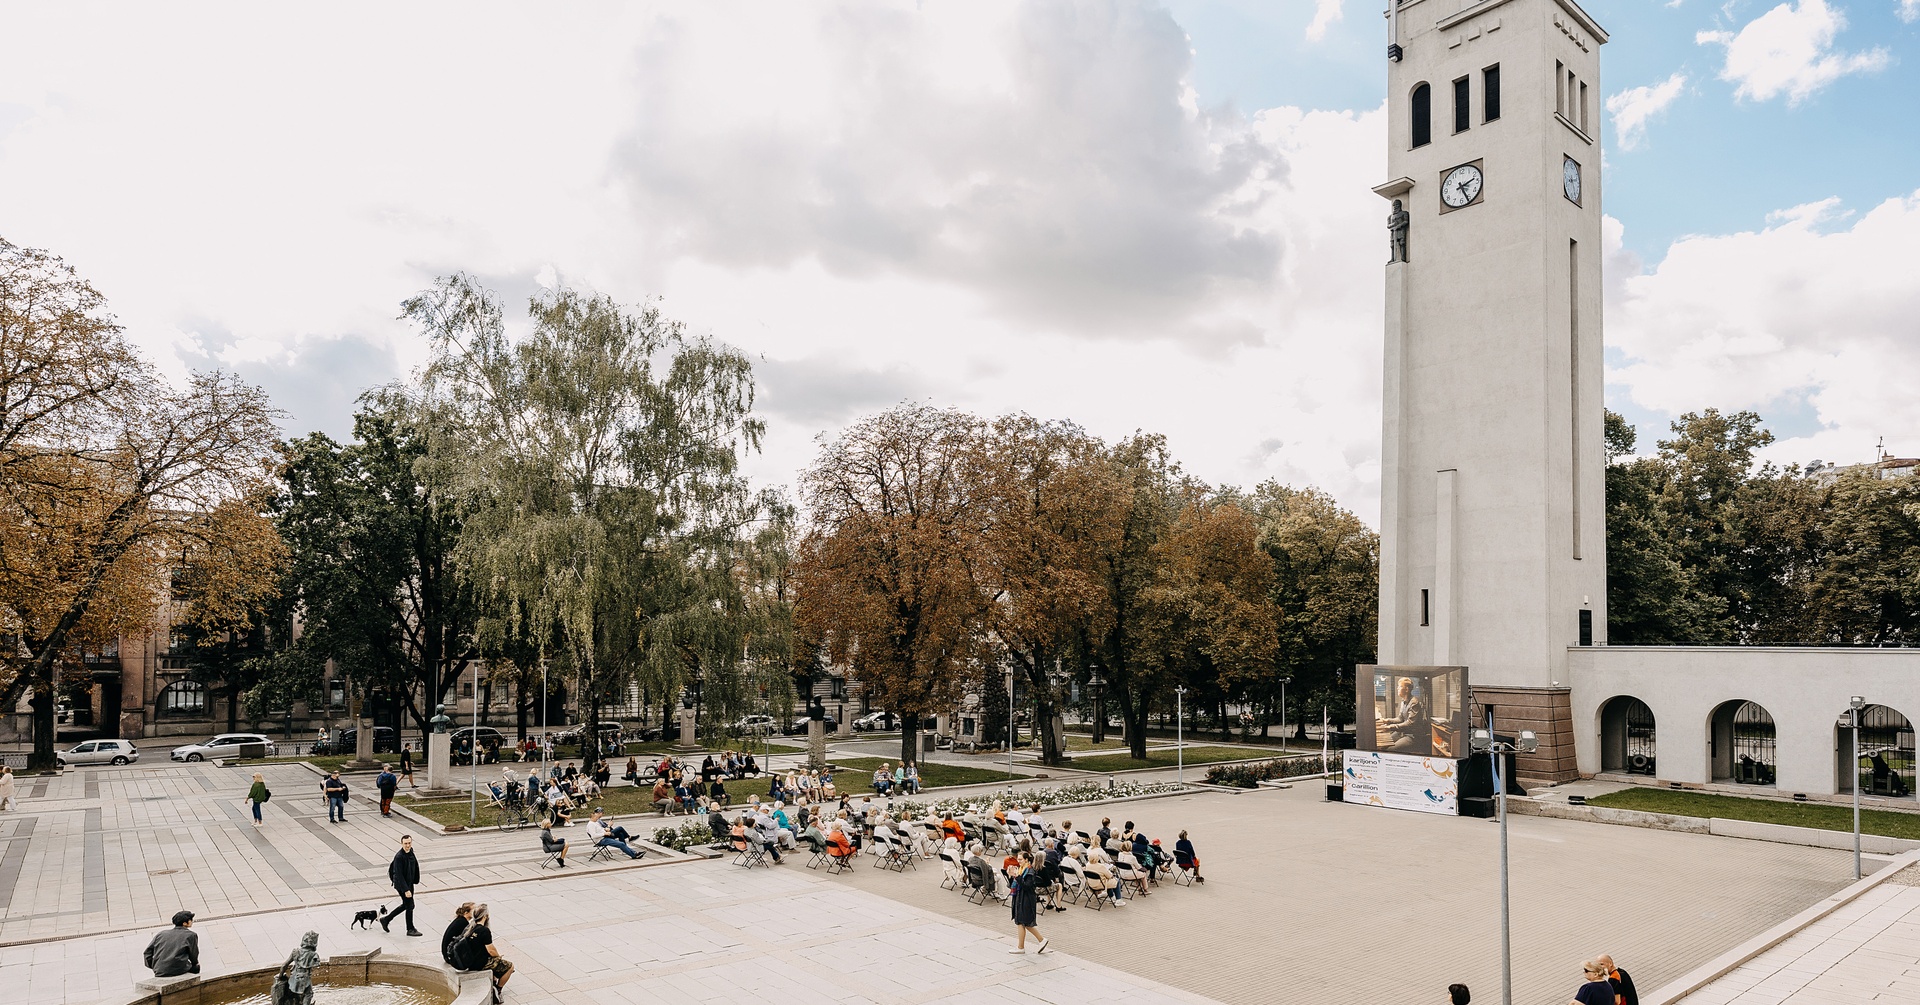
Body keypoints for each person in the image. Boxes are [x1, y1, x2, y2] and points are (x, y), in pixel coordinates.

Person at [453, 903, 514, 1003]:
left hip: (470, 961)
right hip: (480, 963)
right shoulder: (484, 931)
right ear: (485, 916)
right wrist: (499, 958)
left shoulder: (470, 927)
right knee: (510, 967)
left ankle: (494, 982)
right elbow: (491, 950)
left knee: (496, 963)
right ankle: (498, 989)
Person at [379, 835, 424, 935]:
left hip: (409, 882)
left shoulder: (411, 852)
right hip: (402, 885)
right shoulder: (399, 857)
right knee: (409, 905)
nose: (408, 845)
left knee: (407, 905)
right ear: (401, 843)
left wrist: (414, 880)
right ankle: (410, 929)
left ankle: (386, 919)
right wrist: (406, 890)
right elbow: (398, 875)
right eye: (405, 843)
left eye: (409, 843)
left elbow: (414, 865)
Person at [1007, 849, 1049, 954]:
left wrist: (1017, 876)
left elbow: (1027, 886)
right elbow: (1016, 884)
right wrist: (1012, 876)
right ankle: (1039, 940)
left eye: (1021, 859)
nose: (1019, 861)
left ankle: (1022, 947)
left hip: (1026, 899)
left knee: (1022, 922)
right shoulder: (1021, 869)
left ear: (1026, 860)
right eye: (1018, 859)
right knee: (1023, 922)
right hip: (1020, 898)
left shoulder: (1030, 871)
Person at [144, 911, 200, 977]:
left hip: (159, 970)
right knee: (196, 968)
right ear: (185, 923)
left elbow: (147, 953)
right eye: (191, 920)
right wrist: (195, 963)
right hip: (178, 969)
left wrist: (154, 965)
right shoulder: (191, 935)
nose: (192, 921)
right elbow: (193, 955)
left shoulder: (161, 934)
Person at [441, 903, 474, 967]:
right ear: (466, 912)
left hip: (447, 953)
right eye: (473, 910)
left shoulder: (460, 920)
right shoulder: (463, 923)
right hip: (450, 955)